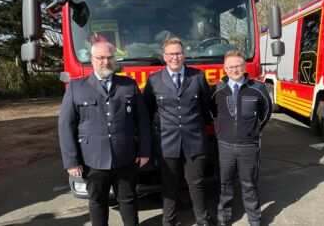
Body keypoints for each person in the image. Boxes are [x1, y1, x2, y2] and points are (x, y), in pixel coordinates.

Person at [58, 41, 151, 226]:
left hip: (124, 157)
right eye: (100, 58)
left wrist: (144, 151)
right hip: (92, 160)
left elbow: (142, 121)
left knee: (128, 200)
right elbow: (65, 125)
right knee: (97, 202)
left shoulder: (129, 85)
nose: (105, 62)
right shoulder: (77, 87)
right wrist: (71, 161)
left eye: (110, 57)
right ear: (92, 60)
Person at [143, 37, 213, 226]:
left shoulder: (197, 76)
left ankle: (202, 220)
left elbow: (206, 106)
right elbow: (148, 110)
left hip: (194, 141)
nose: (175, 57)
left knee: (197, 184)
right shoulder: (155, 80)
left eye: (178, 53)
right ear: (164, 57)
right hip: (167, 143)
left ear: (184, 55)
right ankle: (169, 222)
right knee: (169, 185)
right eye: (171, 54)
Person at [211, 50, 272, 226]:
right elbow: (211, 113)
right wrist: (222, 130)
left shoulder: (258, 88)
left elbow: (266, 112)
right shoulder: (217, 90)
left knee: (249, 184)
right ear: (224, 69)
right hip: (225, 146)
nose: (234, 70)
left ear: (244, 67)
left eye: (237, 66)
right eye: (230, 67)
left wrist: (253, 130)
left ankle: (254, 219)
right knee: (225, 184)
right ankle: (224, 217)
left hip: (249, 146)